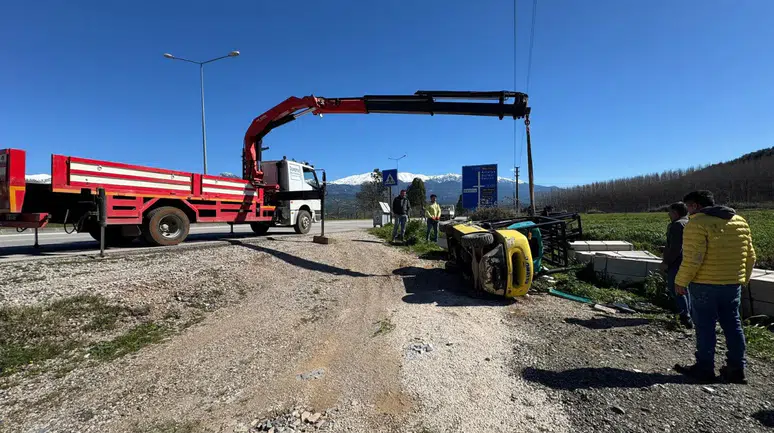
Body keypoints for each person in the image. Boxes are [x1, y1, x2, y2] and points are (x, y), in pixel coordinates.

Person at [673, 190, 756, 384]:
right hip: (732, 283)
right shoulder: (740, 221)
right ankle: (736, 369)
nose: (689, 212)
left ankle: (704, 368)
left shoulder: (697, 223)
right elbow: (750, 255)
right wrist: (744, 279)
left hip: (705, 284)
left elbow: (694, 258)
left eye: (689, 207)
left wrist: (681, 281)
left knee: (705, 327)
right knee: (733, 325)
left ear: (696, 206)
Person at [660, 202, 693, 329]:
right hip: (687, 261)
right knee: (684, 288)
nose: (668, 214)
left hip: (676, 262)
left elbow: (675, 248)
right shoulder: (688, 222)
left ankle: (684, 317)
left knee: (676, 288)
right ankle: (689, 314)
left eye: (670, 212)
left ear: (675, 213)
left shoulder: (677, 225)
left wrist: (666, 262)